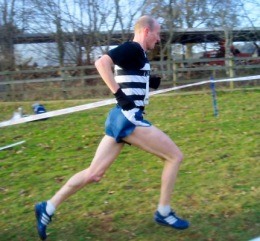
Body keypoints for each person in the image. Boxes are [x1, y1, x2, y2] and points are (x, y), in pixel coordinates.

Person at [35, 15, 189, 241]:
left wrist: (149, 83)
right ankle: (164, 212)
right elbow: (101, 63)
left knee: (94, 173)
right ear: (146, 31)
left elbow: (128, 77)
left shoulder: (139, 54)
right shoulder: (133, 48)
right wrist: (120, 95)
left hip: (119, 118)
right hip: (129, 119)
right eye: (157, 34)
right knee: (174, 156)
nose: (159, 39)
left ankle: (47, 207)